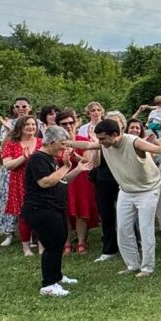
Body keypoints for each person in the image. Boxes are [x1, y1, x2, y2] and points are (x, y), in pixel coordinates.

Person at [70, 118, 161, 277]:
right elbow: (87, 145)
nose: (100, 142)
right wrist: (67, 143)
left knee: (145, 229)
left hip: (148, 190)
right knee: (123, 229)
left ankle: (147, 268)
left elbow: (156, 148)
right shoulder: (104, 144)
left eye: (103, 138)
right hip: (126, 190)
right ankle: (132, 265)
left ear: (115, 135)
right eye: (99, 138)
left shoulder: (134, 142)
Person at [23, 126, 93, 297]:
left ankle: (57, 276)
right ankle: (48, 284)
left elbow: (61, 181)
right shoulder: (38, 159)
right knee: (52, 245)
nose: (65, 147)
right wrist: (65, 166)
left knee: (59, 242)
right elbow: (45, 182)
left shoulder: (51, 159)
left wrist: (76, 169)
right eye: (62, 143)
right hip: (41, 208)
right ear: (52, 142)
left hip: (55, 207)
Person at [1, 115, 42, 256]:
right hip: (19, 182)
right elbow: (7, 165)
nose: (31, 127)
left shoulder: (41, 142)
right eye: (27, 124)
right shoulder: (12, 144)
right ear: (20, 127)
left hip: (39, 182)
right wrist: (23, 158)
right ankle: (26, 248)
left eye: (33, 124)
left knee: (41, 215)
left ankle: (41, 245)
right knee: (24, 216)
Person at [57, 109, 97, 255]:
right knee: (65, 212)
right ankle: (66, 242)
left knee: (81, 211)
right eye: (64, 124)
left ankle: (81, 242)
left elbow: (89, 161)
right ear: (58, 125)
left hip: (81, 179)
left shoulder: (82, 140)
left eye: (71, 123)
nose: (68, 126)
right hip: (63, 178)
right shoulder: (56, 142)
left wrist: (75, 156)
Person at [90, 110, 123, 263]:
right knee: (107, 214)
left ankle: (132, 245)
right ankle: (109, 248)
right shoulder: (101, 141)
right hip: (104, 180)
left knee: (127, 213)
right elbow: (96, 163)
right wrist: (96, 146)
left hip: (123, 180)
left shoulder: (126, 142)